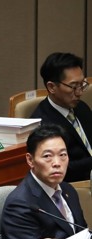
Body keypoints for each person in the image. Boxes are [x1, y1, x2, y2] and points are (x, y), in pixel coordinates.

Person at [2, 125, 91, 239]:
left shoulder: (68, 189)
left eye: (63, 155)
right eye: (47, 156)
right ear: (30, 160)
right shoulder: (19, 204)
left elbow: (83, 235)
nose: (57, 163)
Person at [30, 52, 92, 182]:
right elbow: (60, 169)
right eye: (74, 86)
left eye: (82, 85)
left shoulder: (81, 107)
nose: (79, 92)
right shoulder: (43, 125)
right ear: (52, 87)